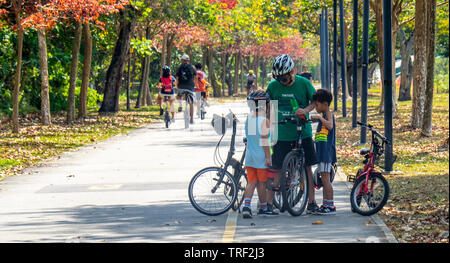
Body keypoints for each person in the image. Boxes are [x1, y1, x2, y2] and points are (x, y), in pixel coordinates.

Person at [266, 54, 319, 215]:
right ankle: (268, 204)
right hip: (281, 132)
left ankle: (311, 202)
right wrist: (266, 123)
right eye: (279, 78)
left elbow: (315, 101)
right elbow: (267, 106)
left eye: (285, 78)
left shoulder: (304, 84)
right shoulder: (273, 86)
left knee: (307, 167)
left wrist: (306, 110)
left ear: (293, 71)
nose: (282, 81)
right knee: (277, 168)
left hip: (303, 131)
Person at [242, 90, 273, 218]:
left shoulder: (248, 118)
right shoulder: (264, 121)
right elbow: (265, 141)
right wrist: (268, 157)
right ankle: (263, 207)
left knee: (251, 182)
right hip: (261, 157)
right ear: (264, 106)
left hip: (249, 157)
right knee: (262, 183)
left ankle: (246, 206)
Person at [310, 89, 337, 215]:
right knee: (323, 178)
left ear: (325, 104)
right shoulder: (324, 116)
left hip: (326, 153)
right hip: (321, 153)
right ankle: (326, 204)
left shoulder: (328, 114)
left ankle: (330, 205)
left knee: (326, 180)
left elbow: (330, 126)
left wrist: (320, 118)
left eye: (317, 104)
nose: (316, 107)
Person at [175, 54, 197, 124]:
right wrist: (195, 85)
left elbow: (177, 78)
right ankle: (192, 118)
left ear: (182, 60)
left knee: (179, 95)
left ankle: (180, 105)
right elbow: (195, 77)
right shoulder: (192, 67)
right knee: (191, 103)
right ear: (188, 60)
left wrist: (176, 86)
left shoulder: (179, 67)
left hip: (181, 86)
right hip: (190, 87)